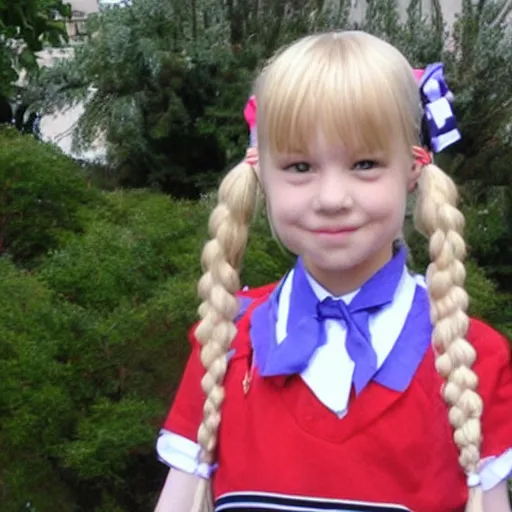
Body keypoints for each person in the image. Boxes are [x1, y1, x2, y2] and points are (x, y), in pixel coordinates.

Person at [154, 31, 512, 512]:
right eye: (300, 166)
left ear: (412, 169)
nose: (331, 199)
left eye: (365, 163)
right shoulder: (223, 342)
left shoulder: (474, 358)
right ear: (261, 174)